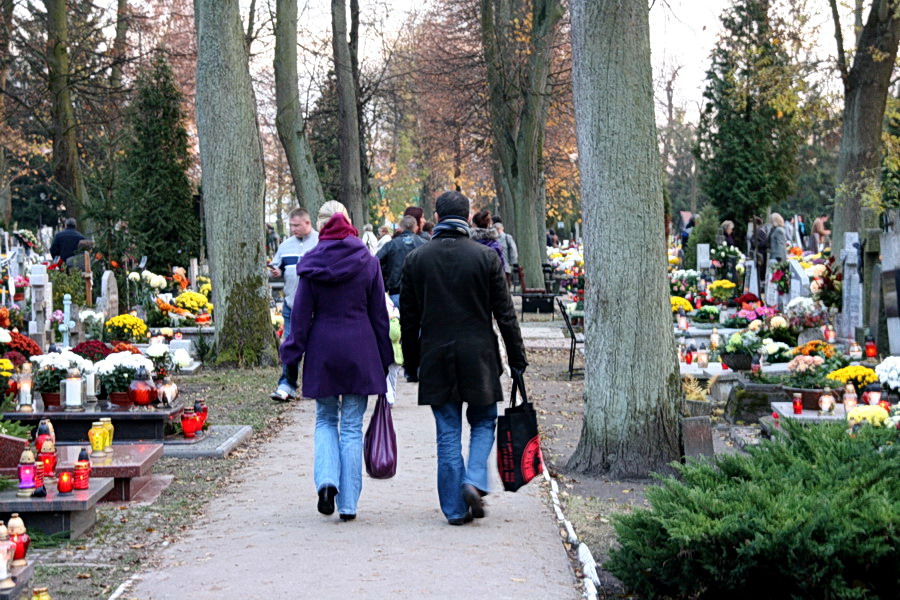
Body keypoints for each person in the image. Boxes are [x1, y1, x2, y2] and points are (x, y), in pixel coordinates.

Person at [400, 190, 527, 526]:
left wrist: (411, 365)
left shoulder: (417, 259)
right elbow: (505, 315)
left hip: (436, 356)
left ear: (437, 219)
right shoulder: (486, 258)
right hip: (479, 356)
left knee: (447, 433)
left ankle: (455, 510)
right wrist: (517, 359)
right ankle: (474, 479)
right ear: (467, 217)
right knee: (484, 421)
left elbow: (408, 320)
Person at [280, 200, 392, 521]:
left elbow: (300, 318)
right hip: (361, 348)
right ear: (350, 222)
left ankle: (327, 482)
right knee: (352, 427)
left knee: (326, 420)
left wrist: (291, 353)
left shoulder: (310, 263)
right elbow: (379, 317)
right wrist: (385, 359)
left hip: (323, 350)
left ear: (322, 226)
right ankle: (349, 505)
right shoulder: (368, 262)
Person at [269, 207, 319, 401]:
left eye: (296, 225)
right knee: (290, 344)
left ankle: (316, 385)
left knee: (316, 346)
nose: (293, 229)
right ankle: (287, 384)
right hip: (292, 304)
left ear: (308, 223)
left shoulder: (319, 243)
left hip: (316, 306)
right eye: (291, 225)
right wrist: (276, 272)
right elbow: (277, 266)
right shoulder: (285, 245)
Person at [377, 215, 425, 307]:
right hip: (419, 292)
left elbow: (375, 262)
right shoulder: (424, 244)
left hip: (396, 291)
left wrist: (384, 280)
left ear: (400, 228)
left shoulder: (391, 244)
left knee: (397, 320)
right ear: (416, 228)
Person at [493, 218, 518, 288]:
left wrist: (512, 262)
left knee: (507, 282)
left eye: (499, 229)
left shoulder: (507, 237)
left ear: (502, 229)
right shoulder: (494, 238)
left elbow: (513, 250)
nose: (498, 231)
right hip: (497, 265)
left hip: (506, 265)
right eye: (496, 229)